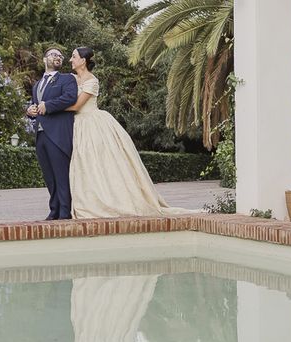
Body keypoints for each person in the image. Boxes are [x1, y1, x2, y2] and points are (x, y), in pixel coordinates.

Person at [66, 47, 199, 219]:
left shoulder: (92, 81)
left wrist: (51, 109)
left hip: (92, 124)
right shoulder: (71, 79)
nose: (71, 60)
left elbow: (77, 106)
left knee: (98, 163)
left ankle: (106, 200)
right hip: (77, 125)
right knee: (83, 164)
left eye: (74, 57)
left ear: (83, 60)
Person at [27, 48, 78, 220]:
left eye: (60, 56)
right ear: (44, 59)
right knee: (49, 175)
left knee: (61, 174)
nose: (57, 57)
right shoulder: (37, 85)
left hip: (58, 133)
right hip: (40, 135)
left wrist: (48, 106)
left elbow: (70, 98)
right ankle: (54, 210)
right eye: (53, 54)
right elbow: (36, 105)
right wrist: (30, 110)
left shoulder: (67, 79)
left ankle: (65, 211)